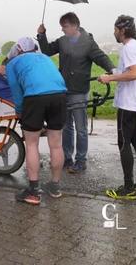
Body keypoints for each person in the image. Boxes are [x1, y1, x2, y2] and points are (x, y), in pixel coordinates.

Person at [37, 12, 114, 174]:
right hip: (63, 89)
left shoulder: (88, 42)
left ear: (75, 26)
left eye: (65, 26)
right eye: (62, 26)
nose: (62, 29)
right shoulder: (63, 41)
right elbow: (46, 51)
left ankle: (80, 160)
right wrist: (41, 35)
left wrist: (113, 71)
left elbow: (101, 58)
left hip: (79, 90)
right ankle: (66, 158)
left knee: (80, 128)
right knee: (66, 127)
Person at [7, 37, 67, 205]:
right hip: (60, 95)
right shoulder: (45, 58)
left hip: (35, 97)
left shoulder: (13, 63)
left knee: (31, 144)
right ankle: (55, 187)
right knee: (56, 144)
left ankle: (33, 192)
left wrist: (20, 112)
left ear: (17, 50)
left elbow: (16, 91)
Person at [98, 15, 136, 199]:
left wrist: (109, 78)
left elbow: (135, 73)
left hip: (128, 103)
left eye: (115, 29)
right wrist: (114, 72)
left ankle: (128, 188)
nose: (114, 32)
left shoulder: (128, 48)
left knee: (124, 143)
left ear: (122, 30)